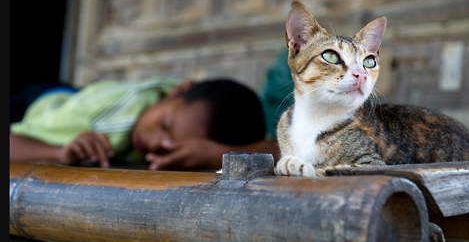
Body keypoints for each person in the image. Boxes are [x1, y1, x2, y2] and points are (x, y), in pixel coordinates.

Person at [10, 76, 280, 171]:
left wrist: (217, 154)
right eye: (164, 125)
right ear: (178, 89)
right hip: (35, 103)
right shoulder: (110, 125)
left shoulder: (185, 103)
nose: (153, 143)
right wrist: (58, 152)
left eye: (171, 147)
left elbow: (283, 149)